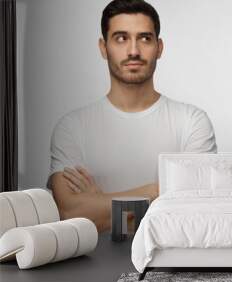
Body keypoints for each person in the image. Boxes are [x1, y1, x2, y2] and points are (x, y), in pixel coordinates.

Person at [47, 0, 217, 232]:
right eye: (121, 38)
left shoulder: (192, 122)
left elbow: (195, 214)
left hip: (169, 266)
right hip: (90, 266)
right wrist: (156, 191)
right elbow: (70, 213)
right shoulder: (72, 128)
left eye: (145, 38)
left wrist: (101, 203)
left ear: (159, 47)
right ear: (103, 47)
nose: (134, 51)